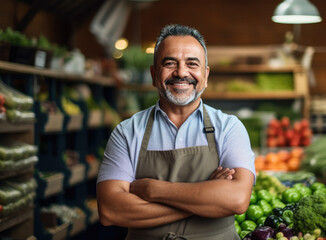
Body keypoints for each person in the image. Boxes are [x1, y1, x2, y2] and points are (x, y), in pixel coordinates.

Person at [97, 24, 256, 240]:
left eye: (192, 64)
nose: (181, 72)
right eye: (170, 63)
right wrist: (207, 196)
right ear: (154, 74)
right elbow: (110, 210)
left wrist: (154, 190)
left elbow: (237, 199)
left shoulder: (229, 127)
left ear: (205, 75)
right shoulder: (127, 132)